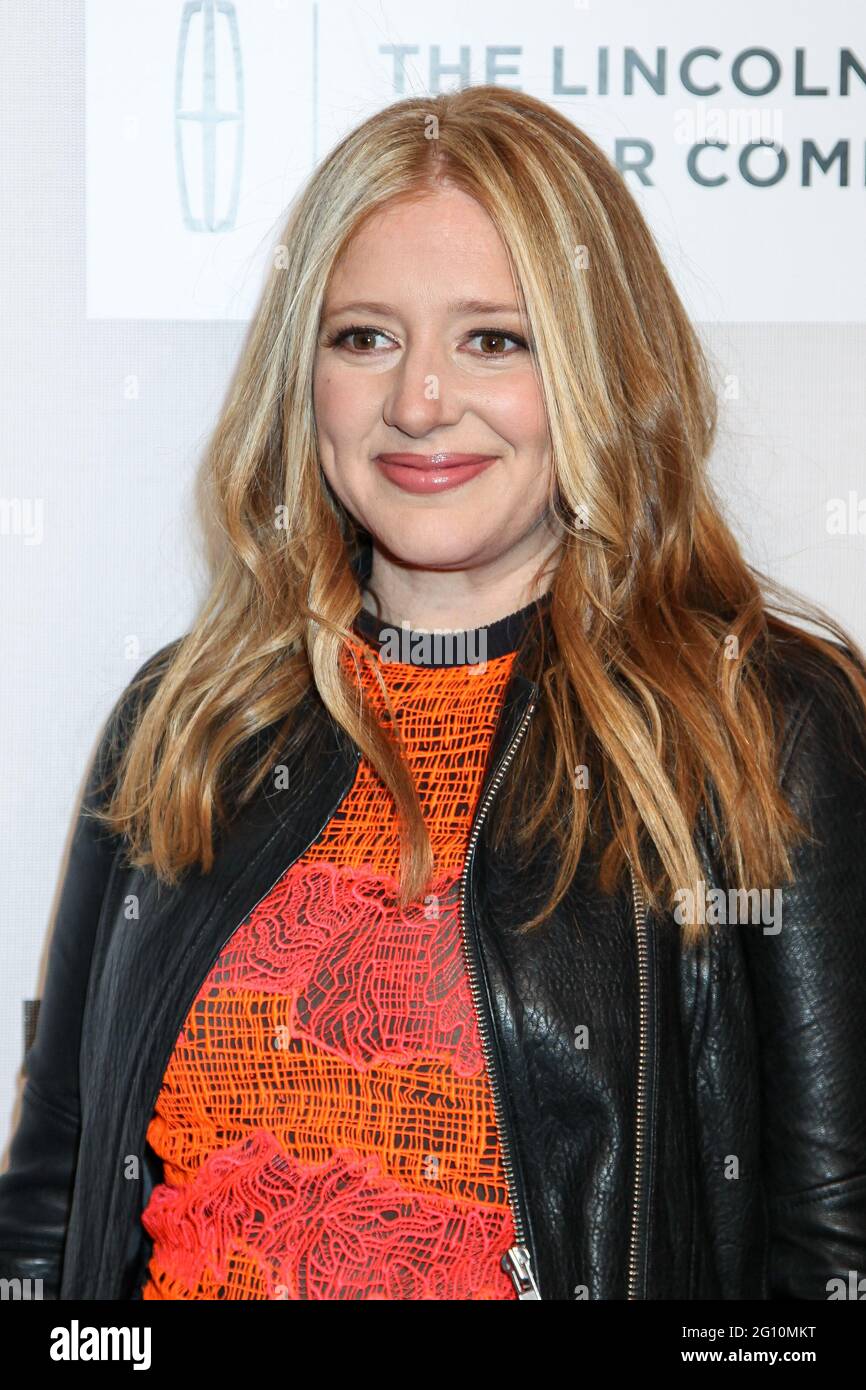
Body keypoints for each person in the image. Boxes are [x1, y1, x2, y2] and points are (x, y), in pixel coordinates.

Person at [1, 84, 865, 1302]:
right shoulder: (189, 720)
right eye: (363, 337)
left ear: (599, 367)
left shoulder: (755, 723)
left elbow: (834, 1258)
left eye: (493, 339)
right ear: (303, 378)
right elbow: (54, 1197)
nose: (416, 402)